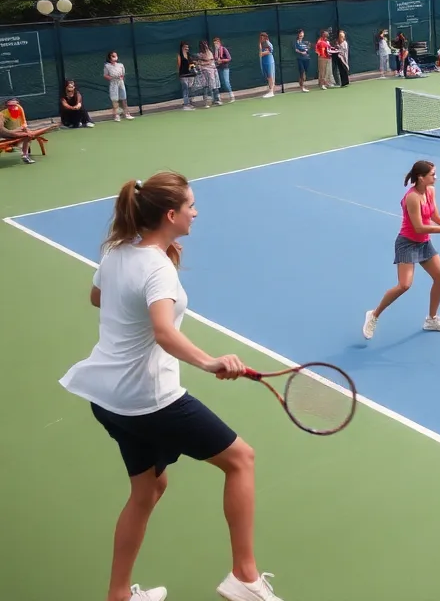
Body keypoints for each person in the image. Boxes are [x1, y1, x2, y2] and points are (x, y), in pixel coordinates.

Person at [58, 172, 284, 601]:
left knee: (148, 489)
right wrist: (210, 361)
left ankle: (119, 594)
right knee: (241, 460)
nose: (196, 213)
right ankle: (245, 577)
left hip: (108, 399)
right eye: (190, 206)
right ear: (170, 214)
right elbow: (163, 331)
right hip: (149, 399)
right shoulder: (157, 268)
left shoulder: (119, 253)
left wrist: (140, 294)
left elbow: (97, 297)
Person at [363, 160, 440, 339]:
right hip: (407, 243)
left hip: (423, 243)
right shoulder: (411, 197)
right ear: (421, 178)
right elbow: (419, 227)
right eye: (432, 174)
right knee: (404, 285)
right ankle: (373, 315)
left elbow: (435, 216)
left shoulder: (430, 191)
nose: (436, 177)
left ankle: (432, 319)